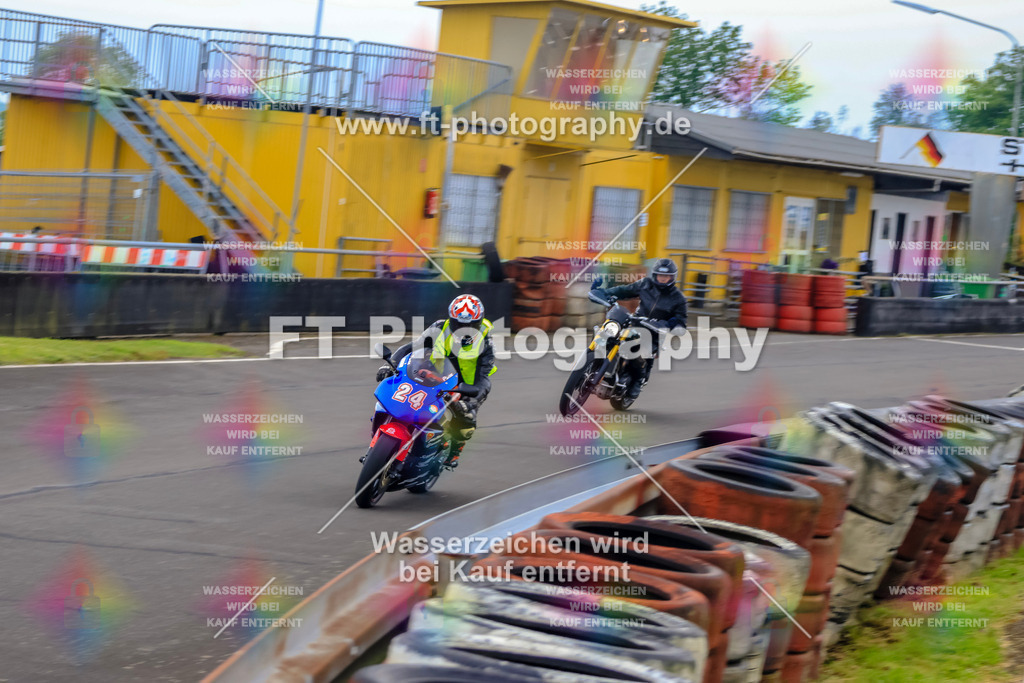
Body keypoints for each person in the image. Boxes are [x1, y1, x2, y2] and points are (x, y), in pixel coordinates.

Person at [376, 293, 496, 467]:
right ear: (451, 319)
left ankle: (454, 451)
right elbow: (414, 347)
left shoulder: (486, 341)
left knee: (467, 419)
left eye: (470, 325)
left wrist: (472, 399)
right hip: (435, 374)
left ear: (478, 322)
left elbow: (484, 377)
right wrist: (391, 364)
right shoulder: (439, 327)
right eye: (459, 324)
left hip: (465, 385)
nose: (464, 328)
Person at [591, 258, 687, 401]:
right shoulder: (645, 284)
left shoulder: (678, 298)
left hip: (654, 332)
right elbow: (624, 290)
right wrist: (605, 293)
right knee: (608, 333)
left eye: (666, 276)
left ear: (672, 277)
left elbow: (681, 323)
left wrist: (665, 324)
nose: (663, 279)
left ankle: (637, 381)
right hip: (635, 322)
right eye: (660, 275)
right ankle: (593, 367)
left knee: (638, 353)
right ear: (655, 275)